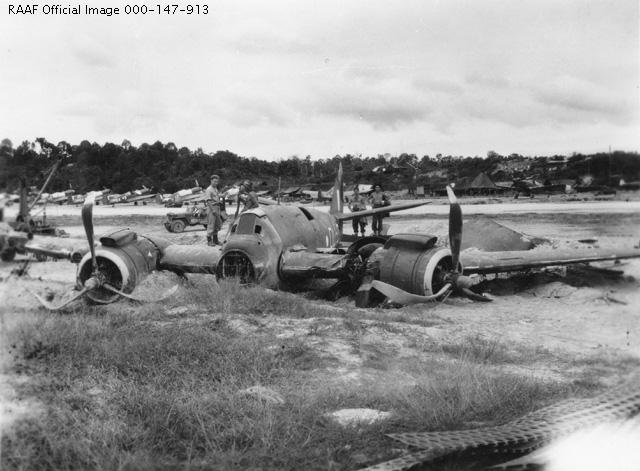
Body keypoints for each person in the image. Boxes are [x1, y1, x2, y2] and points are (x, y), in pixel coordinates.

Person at [204, 174, 222, 246]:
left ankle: (215, 240)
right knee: (211, 224)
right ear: (211, 181)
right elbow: (208, 201)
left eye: (217, 182)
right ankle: (209, 241)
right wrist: (213, 210)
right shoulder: (209, 189)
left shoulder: (215, 189)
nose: (216, 183)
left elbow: (216, 197)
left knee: (216, 225)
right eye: (214, 181)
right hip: (212, 208)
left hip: (217, 207)